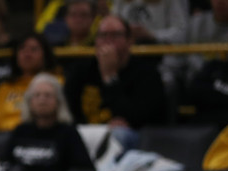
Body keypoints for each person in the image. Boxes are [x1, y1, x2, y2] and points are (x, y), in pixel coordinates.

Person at [64, 13, 168, 149]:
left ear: (129, 40)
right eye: (102, 35)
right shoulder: (81, 70)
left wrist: (110, 77)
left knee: (118, 135)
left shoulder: (146, 73)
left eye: (115, 35)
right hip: (90, 132)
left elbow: (139, 117)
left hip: (133, 136)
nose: (107, 41)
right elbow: (69, 107)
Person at [1, 72, 94, 171]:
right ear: (29, 102)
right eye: (37, 95)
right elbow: (5, 165)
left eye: (47, 95)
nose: (42, 100)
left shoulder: (68, 133)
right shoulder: (20, 131)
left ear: (58, 101)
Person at [0, 33, 61, 133]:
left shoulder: (57, 83)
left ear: (45, 55)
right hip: (2, 140)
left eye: (33, 49)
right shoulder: (4, 87)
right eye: (22, 49)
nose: (27, 53)